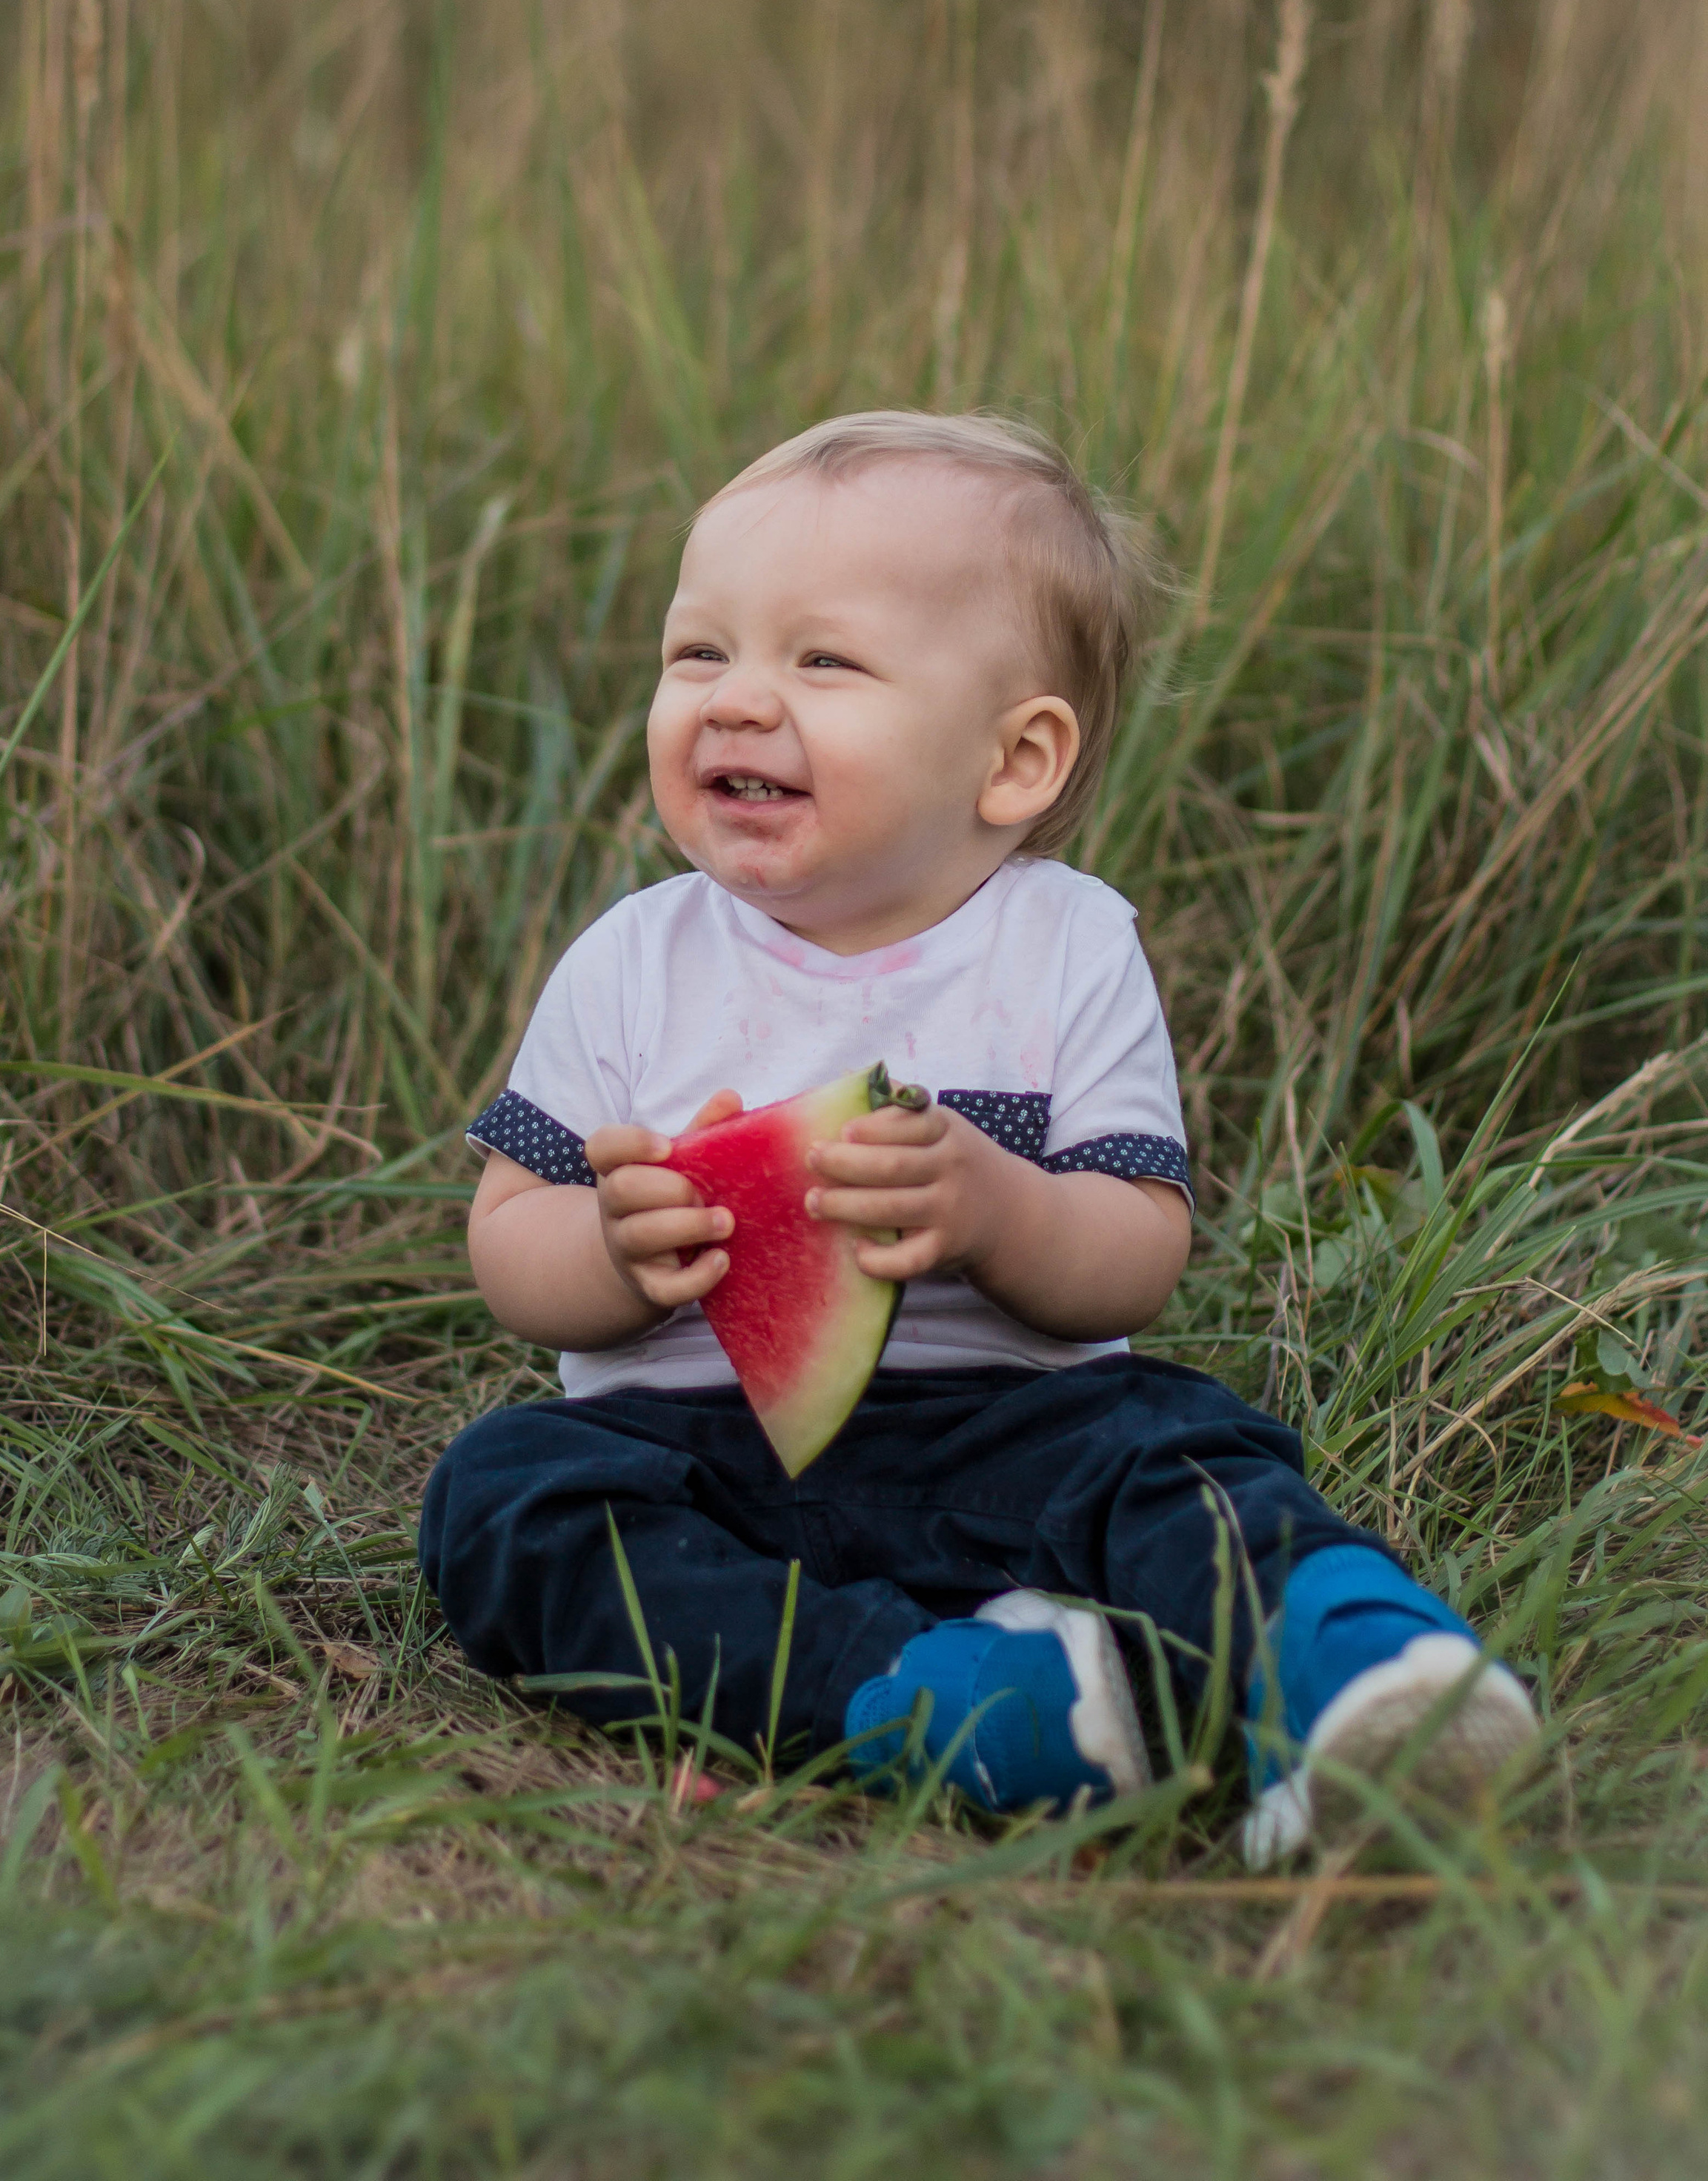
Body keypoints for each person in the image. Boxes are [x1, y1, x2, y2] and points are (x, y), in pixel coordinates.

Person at [418, 411, 1537, 1861]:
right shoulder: (632, 960)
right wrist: (614, 1252)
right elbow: (509, 1242)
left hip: (1017, 1429)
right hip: (689, 1451)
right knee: (502, 1499)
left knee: (1184, 1462)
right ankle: (937, 1699)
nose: (738, 699)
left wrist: (1002, 1212)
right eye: (699, 652)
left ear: (1012, 760)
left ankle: (1362, 1672)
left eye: (821, 662)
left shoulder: (1066, 948)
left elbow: (1133, 1254)